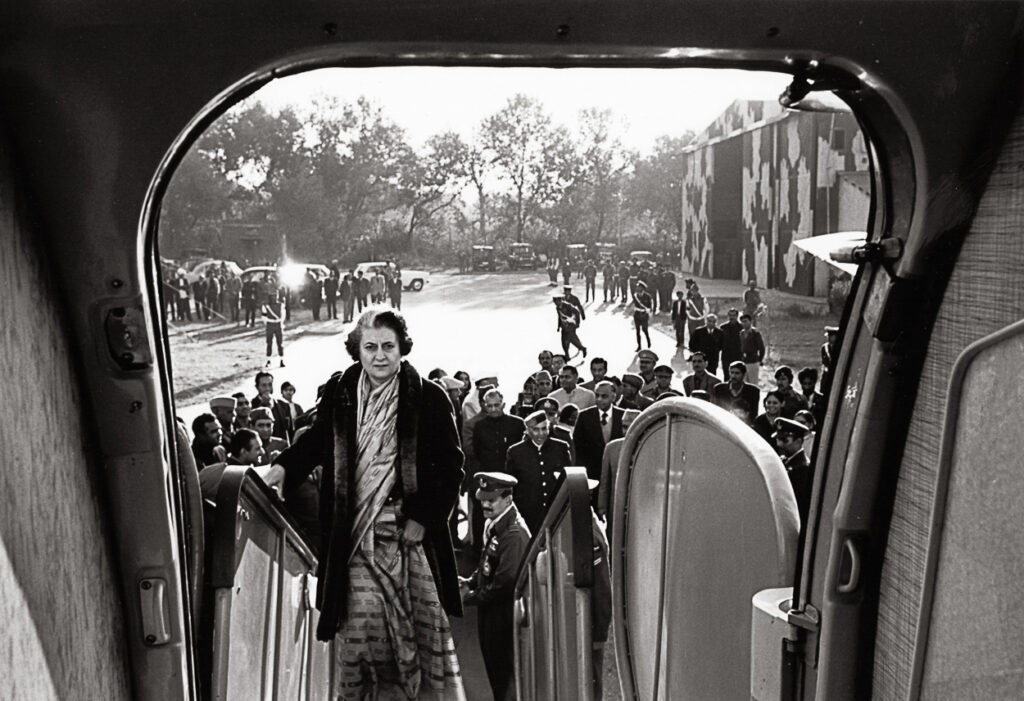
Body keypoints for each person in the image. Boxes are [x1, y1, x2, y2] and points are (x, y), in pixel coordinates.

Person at [263, 309, 466, 699]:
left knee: (414, 634)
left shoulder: (428, 395)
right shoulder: (341, 392)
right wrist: (282, 469)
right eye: (369, 347)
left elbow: (452, 466)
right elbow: (316, 440)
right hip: (354, 536)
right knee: (362, 631)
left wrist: (423, 518)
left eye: (388, 346)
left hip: (409, 538)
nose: (379, 356)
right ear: (356, 350)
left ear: (402, 347)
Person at [459, 472, 531, 701]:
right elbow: (488, 564)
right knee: (496, 675)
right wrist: (471, 581)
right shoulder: (497, 525)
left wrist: (471, 596)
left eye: (492, 500)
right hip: (493, 613)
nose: (485, 505)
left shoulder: (513, 534)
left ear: (508, 499)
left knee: (504, 678)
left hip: (503, 615)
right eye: (483, 500)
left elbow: (505, 584)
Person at [470, 390, 527, 556]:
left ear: (503, 405)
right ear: (484, 407)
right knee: (483, 514)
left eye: (497, 405)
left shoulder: (517, 424)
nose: (494, 409)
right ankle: (480, 553)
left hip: (509, 479)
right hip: (488, 480)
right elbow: (477, 453)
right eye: (489, 406)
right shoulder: (479, 427)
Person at [504, 409, 572, 534]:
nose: (541, 434)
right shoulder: (515, 452)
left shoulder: (561, 448)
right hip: (528, 514)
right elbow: (511, 487)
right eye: (535, 429)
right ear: (528, 431)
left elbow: (569, 479)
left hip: (555, 512)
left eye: (544, 429)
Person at [573, 381, 625, 494]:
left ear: (613, 396)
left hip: (616, 473)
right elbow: (578, 448)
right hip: (592, 473)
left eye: (604, 396)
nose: (600, 399)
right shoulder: (584, 416)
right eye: (597, 395)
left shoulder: (623, 416)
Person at [596, 408, 641, 526]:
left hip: (639, 512)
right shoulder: (611, 448)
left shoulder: (649, 448)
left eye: (631, 427)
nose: (627, 431)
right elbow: (604, 482)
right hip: (616, 512)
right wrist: (602, 508)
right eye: (624, 426)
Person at [774, 417, 812, 524]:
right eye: (778, 439)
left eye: (785, 440)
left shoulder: (803, 468)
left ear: (798, 441)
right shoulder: (783, 460)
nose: (779, 444)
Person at [711, 361, 761, 426]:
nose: (733, 376)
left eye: (737, 373)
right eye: (731, 373)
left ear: (744, 374)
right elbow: (715, 411)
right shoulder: (719, 389)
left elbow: (753, 415)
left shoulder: (753, 391)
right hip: (724, 424)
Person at [250, 371, 292, 440]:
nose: (267, 388)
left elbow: (289, 432)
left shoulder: (284, 405)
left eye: (270, 385)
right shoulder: (251, 405)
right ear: (257, 387)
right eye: (264, 385)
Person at [689, 312, 725, 377]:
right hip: (701, 359)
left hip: (713, 359)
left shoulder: (720, 333)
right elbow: (692, 344)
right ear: (706, 321)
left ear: (716, 322)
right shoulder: (699, 331)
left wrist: (715, 351)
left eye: (713, 321)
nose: (711, 323)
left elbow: (721, 345)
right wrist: (697, 353)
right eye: (709, 321)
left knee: (712, 376)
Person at [553, 295, 587, 359]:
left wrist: (577, 323)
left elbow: (577, 312)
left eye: (556, 302)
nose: (555, 303)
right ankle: (568, 354)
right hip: (564, 327)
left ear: (560, 300)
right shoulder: (557, 308)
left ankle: (582, 348)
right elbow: (560, 317)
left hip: (570, 326)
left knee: (570, 340)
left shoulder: (567, 305)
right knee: (564, 341)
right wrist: (558, 326)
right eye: (554, 302)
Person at [739, 312, 766, 386]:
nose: (744, 323)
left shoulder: (755, 333)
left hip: (753, 360)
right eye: (742, 322)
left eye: (746, 321)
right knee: (744, 382)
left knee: (753, 383)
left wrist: (759, 360)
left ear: (750, 322)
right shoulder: (741, 333)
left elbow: (761, 348)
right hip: (744, 361)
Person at [261, 290, 285, 368]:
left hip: (276, 324)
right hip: (271, 325)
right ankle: (268, 360)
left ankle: (281, 360)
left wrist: (280, 322)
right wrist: (270, 322)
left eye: (275, 296)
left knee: (280, 344)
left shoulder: (281, 305)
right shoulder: (265, 306)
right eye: (272, 296)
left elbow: (283, 315)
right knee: (269, 343)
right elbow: (264, 317)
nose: (274, 298)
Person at [632, 280, 655, 350]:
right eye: (637, 287)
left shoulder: (648, 296)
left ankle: (648, 341)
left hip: (644, 315)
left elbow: (650, 307)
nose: (637, 288)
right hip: (637, 315)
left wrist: (646, 313)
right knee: (637, 331)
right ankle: (639, 346)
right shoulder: (636, 296)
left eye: (639, 287)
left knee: (645, 330)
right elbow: (634, 305)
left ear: (642, 288)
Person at [719, 307, 743, 372]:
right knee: (727, 374)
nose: (732, 317)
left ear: (737, 316)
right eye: (730, 315)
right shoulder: (723, 327)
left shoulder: (742, 327)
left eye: (734, 315)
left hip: (738, 355)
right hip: (726, 355)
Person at [820, 325, 839, 397]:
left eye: (831, 336)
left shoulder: (839, 348)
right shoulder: (824, 347)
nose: (829, 338)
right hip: (827, 373)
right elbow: (824, 362)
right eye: (829, 336)